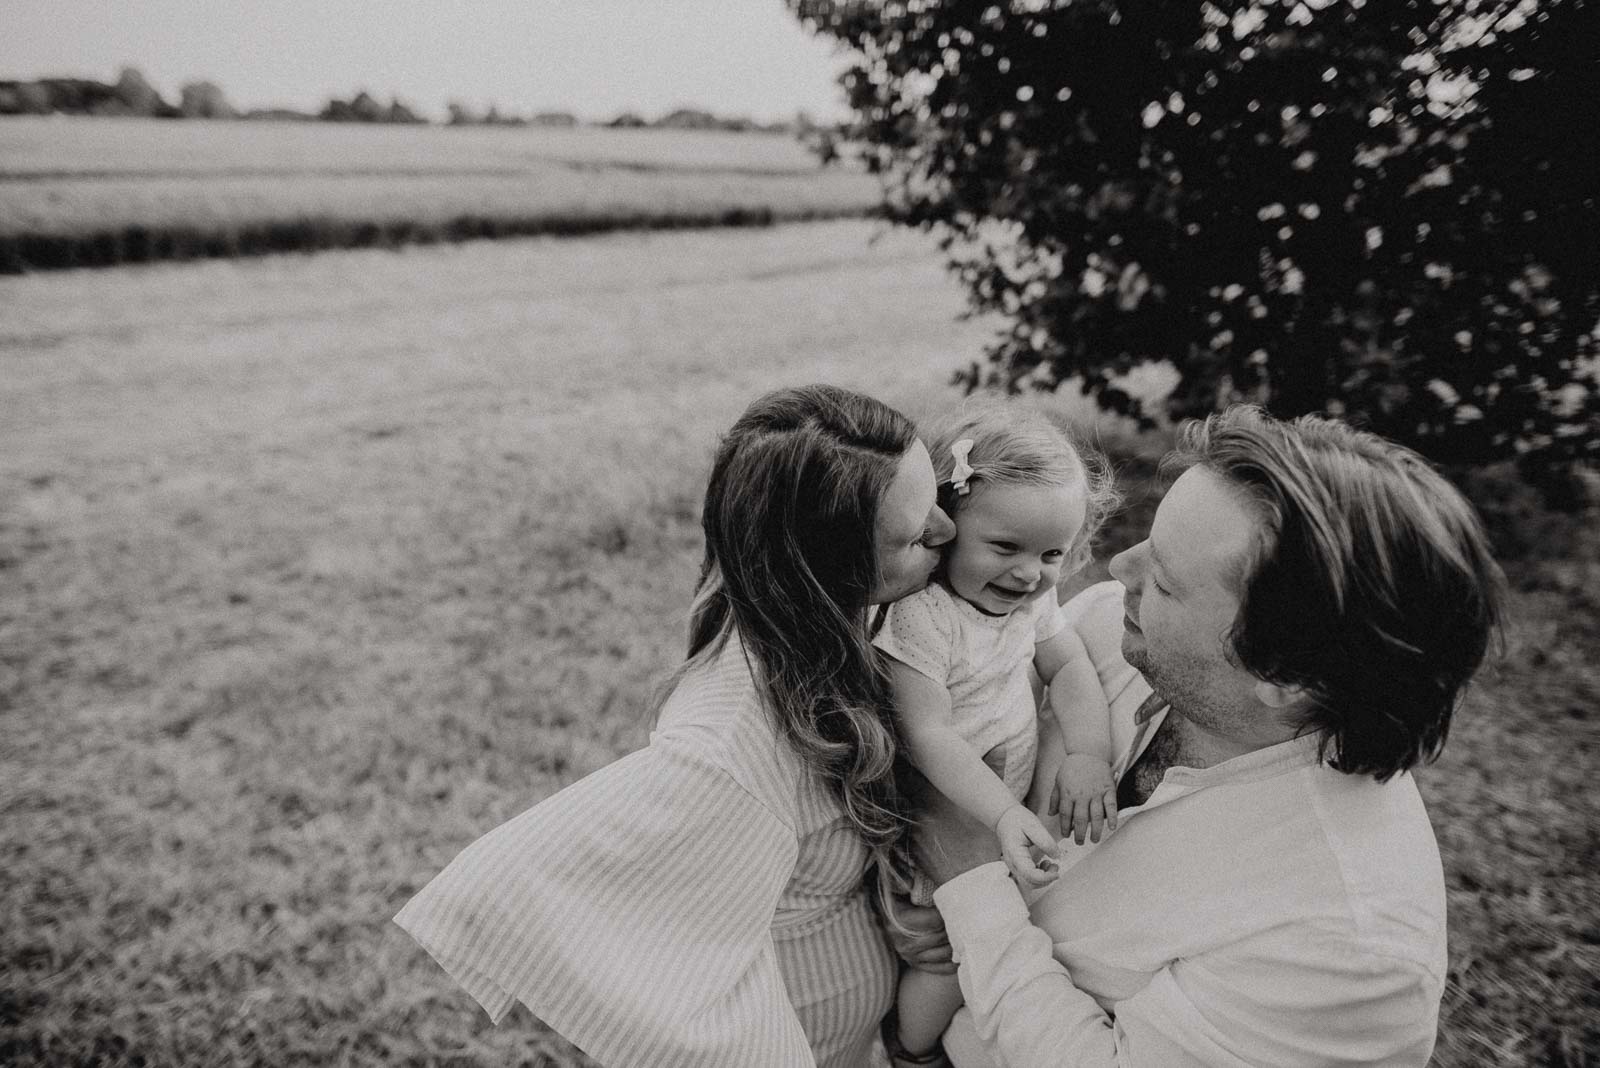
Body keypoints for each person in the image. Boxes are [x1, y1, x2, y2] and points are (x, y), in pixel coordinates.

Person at [901, 405, 1507, 1067]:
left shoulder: (1347, 953)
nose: (1118, 571)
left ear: (1285, 676)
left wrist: (969, 884)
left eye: (1162, 579)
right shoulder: (1114, 633)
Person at [394, 384, 956, 1068]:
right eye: (909, 534)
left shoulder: (827, 635)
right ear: (822, 569)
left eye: (934, 499)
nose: (945, 532)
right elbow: (511, 886)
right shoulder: (725, 749)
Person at [871, 404, 1121, 1062]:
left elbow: (1066, 664)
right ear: (947, 527)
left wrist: (1089, 754)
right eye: (1005, 548)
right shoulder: (924, 618)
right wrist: (1005, 813)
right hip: (936, 822)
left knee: (987, 937)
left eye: (1052, 554)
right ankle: (909, 1053)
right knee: (942, 956)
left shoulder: (1031, 599)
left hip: (995, 822)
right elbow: (928, 736)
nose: (1029, 573)